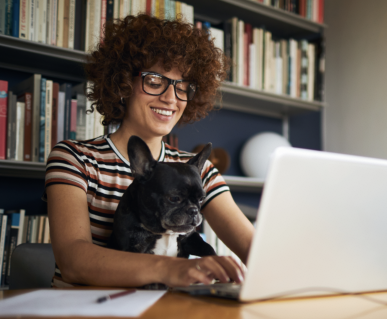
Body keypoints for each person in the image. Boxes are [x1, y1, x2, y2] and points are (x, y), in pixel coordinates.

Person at [44, 14, 254, 288]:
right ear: (123, 84)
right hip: (85, 318)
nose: (170, 98)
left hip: (165, 317)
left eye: (182, 87)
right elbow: (72, 262)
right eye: (155, 81)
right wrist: (171, 269)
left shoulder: (196, 170)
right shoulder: (76, 158)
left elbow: (254, 247)